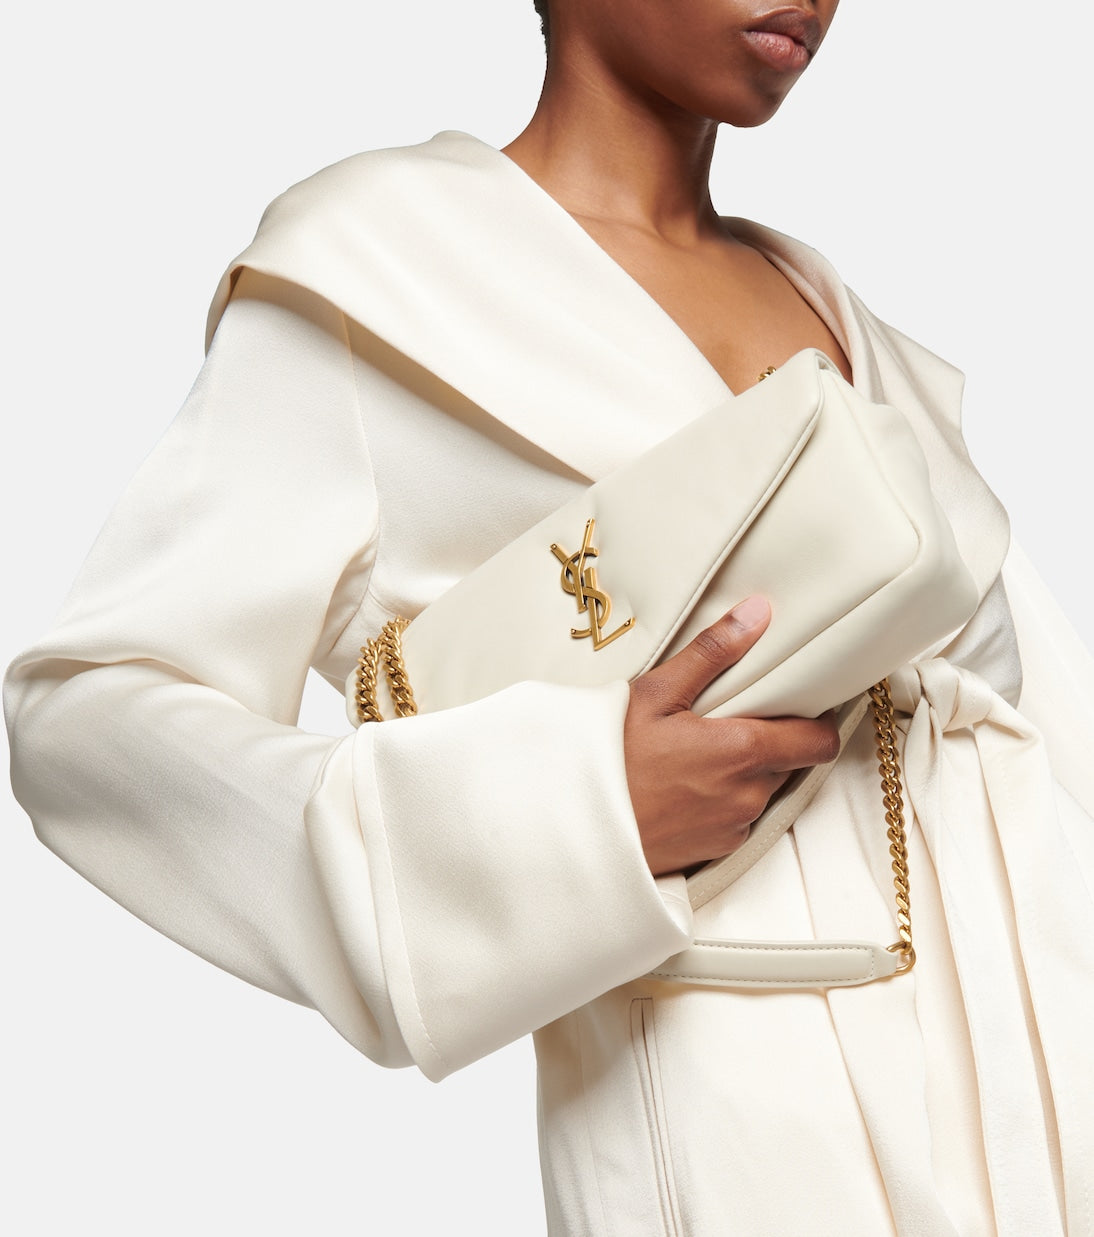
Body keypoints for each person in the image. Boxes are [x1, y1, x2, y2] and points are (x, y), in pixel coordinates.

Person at [6, 1, 1094, 1233]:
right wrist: (574, 809)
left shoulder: (850, 322)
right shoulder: (388, 272)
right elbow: (86, 717)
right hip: (739, 1115)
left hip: (1040, 1068)